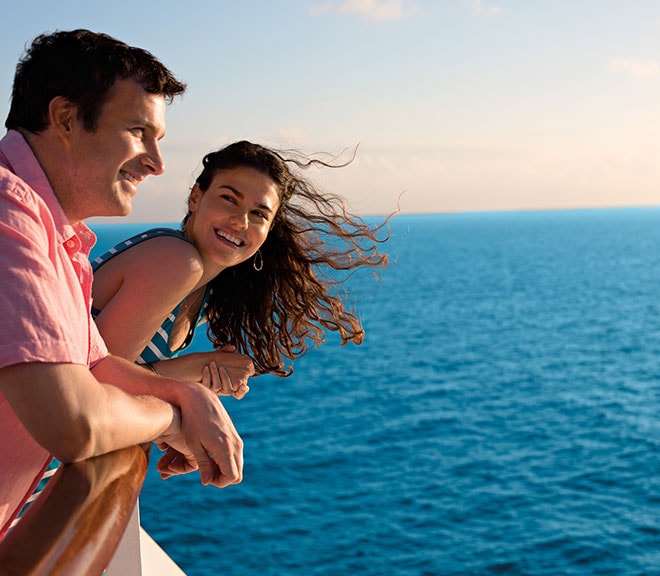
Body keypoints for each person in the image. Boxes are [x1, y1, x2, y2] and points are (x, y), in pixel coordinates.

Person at [0, 29, 243, 538]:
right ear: (65, 118)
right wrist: (171, 418)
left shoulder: (58, 233)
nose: (157, 163)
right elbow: (76, 423)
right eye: (139, 132)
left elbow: (94, 366)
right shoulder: (9, 217)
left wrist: (188, 396)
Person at [90, 140, 390, 398]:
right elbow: (93, 387)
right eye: (229, 199)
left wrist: (186, 407)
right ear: (196, 197)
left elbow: (120, 389)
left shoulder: (204, 295)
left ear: (269, 231)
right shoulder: (175, 260)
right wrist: (191, 372)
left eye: (258, 214)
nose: (240, 221)